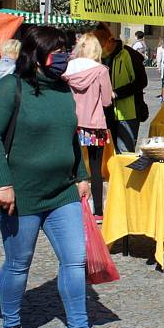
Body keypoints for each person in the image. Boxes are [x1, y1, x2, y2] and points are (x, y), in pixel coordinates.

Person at [0, 26, 115, 328]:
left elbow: (71, 137)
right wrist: (4, 183)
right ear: (35, 54)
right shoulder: (11, 88)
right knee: (18, 264)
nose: (65, 56)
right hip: (20, 196)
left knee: (75, 259)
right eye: (57, 50)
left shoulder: (63, 90)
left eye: (67, 49)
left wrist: (82, 175)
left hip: (62, 193)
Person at [62, 33, 113, 223]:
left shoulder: (67, 69)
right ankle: (98, 210)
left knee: (69, 167)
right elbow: (107, 101)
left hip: (70, 123)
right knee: (95, 168)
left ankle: (67, 209)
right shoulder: (100, 70)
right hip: (94, 125)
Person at [93, 24, 148, 154]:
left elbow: (141, 81)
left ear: (109, 41)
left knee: (125, 153)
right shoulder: (98, 57)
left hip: (128, 113)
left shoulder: (128, 54)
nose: (98, 51)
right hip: (106, 113)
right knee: (108, 153)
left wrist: (116, 93)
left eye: (100, 47)